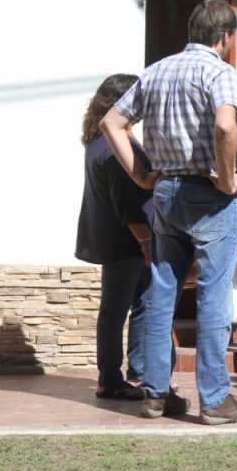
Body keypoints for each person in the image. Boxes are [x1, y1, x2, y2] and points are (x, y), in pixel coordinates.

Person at [100, 0, 237, 425]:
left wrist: (142, 177)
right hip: (208, 196)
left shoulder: (156, 71)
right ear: (225, 37)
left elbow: (111, 123)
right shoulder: (220, 72)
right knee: (212, 297)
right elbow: (226, 125)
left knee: (161, 295)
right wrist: (225, 180)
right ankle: (215, 400)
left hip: (166, 192)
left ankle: (154, 394)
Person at [75, 74, 151, 400]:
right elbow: (126, 205)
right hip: (128, 244)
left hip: (122, 242)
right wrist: (147, 244)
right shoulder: (112, 146)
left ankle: (137, 373)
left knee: (132, 307)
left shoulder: (101, 141)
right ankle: (112, 379)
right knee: (119, 310)